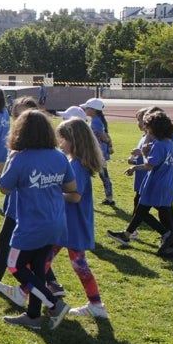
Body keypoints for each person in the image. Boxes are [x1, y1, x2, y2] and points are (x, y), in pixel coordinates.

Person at [0, 110, 78, 331]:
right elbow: (71, 189)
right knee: (37, 269)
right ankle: (33, 316)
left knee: (14, 265)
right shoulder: (59, 156)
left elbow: (4, 188)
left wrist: (10, 160)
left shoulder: (20, 158)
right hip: (55, 221)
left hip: (32, 224)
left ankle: (54, 303)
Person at [107, 109, 173, 256]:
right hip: (164, 182)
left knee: (143, 211)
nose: (147, 130)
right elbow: (172, 161)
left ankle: (168, 234)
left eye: (148, 127)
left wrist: (143, 154)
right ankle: (129, 235)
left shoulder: (160, 145)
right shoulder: (168, 143)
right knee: (147, 210)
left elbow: (149, 165)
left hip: (155, 183)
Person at [54, 117, 108, 318]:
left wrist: (53, 193)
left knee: (73, 265)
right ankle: (96, 305)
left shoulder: (77, 166)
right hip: (69, 225)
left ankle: (29, 293)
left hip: (72, 226)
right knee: (74, 265)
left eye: (63, 140)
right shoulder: (74, 162)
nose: (61, 144)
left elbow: (75, 196)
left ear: (74, 141)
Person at [81, 98, 115, 205]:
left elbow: (103, 135)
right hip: (100, 151)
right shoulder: (98, 119)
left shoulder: (95, 120)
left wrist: (108, 142)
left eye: (87, 108)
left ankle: (109, 198)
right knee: (102, 174)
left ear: (94, 110)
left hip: (98, 152)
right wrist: (109, 144)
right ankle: (109, 197)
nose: (85, 109)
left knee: (102, 174)